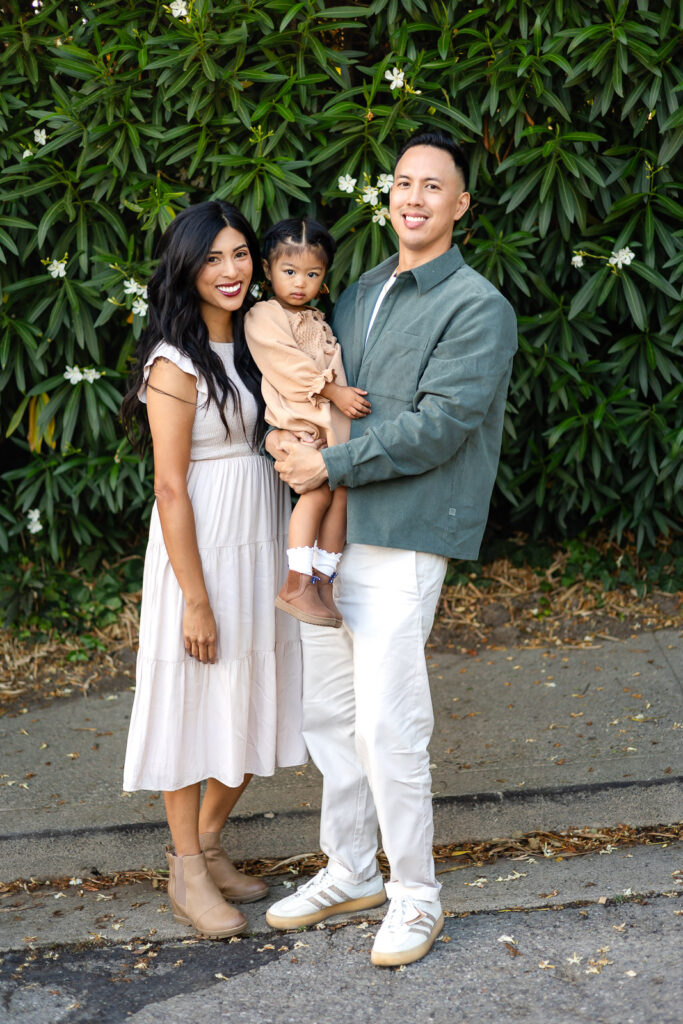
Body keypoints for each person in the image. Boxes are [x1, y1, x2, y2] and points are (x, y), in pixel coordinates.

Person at [264, 129, 518, 966]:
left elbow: (440, 427)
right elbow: (319, 386)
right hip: (332, 534)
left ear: (459, 206)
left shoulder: (476, 306)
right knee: (329, 716)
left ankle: (416, 894)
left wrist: (327, 461)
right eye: (402, 183)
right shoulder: (362, 286)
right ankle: (350, 869)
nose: (412, 198)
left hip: (402, 534)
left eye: (431, 187)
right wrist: (295, 447)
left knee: (386, 723)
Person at [120, 200, 306, 939]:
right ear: (187, 268)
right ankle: (186, 870)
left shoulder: (260, 340)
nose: (228, 272)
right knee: (191, 705)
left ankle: (204, 847)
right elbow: (169, 485)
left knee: (258, 694)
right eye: (211, 259)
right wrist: (194, 600)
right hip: (198, 547)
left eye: (238, 256)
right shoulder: (173, 361)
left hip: (261, 533)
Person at [245, 218, 371, 628]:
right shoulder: (263, 315)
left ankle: (322, 582)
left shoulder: (317, 318)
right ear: (267, 271)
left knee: (341, 498)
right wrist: (334, 392)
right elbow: (288, 365)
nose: (301, 282)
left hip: (328, 429)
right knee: (315, 497)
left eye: (312, 274)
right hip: (301, 424)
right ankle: (296, 582)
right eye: (289, 272)